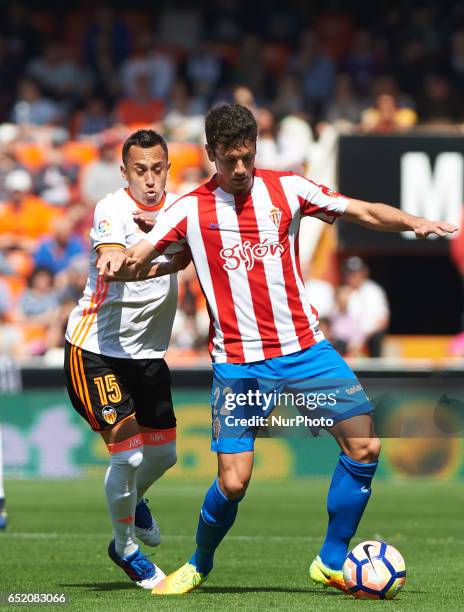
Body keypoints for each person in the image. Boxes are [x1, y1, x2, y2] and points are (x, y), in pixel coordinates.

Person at [98, 104, 457, 595]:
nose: (240, 170)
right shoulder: (188, 209)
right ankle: (199, 563)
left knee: (366, 444)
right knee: (234, 482)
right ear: (210, 156)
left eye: (247, 157)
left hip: (304, 348)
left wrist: (416, 221)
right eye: (230, 161)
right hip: (239, 363)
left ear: (256, 149)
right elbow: (140, 253)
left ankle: (331, 559)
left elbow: (363, 211)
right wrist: (116, 260)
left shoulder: (288, 188)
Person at [64, 129, 190, 589]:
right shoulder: (111, 209)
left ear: (168, 169)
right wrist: (168, 260)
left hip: (148, 354)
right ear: (124, 172)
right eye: (141, 170)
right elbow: (112, 264)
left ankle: (133, 503)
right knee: (131, 455)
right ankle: (126, 548)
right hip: (95, 349)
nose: (150, 180)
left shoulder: (181, 208)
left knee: (167, 454)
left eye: (158, 169)